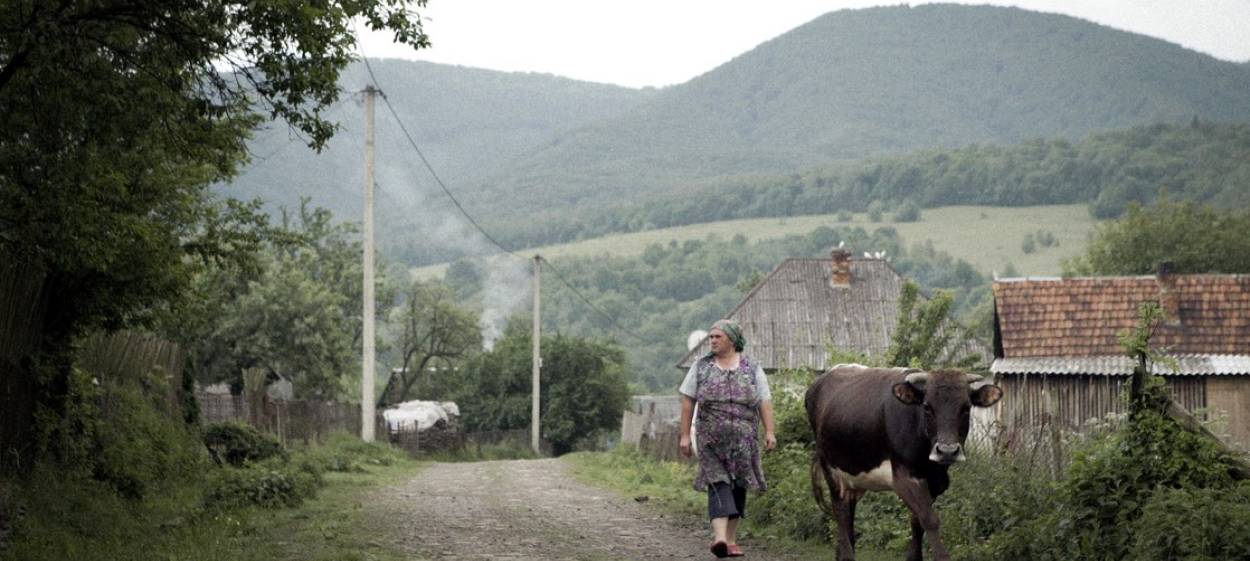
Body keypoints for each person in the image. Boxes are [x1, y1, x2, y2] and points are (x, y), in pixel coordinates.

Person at [679, 319, 777, 558]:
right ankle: (720, 538)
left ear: (732, 340)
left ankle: (730, 540)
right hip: (710, 440)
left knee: (739, 485)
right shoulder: (701, 367)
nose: (712, 340)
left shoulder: (752, 368)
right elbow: (688, 401)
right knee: (719, 482)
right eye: (711, 337)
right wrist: (684, 436)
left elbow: (764, 400)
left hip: (745, 440)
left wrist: (770, 431)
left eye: (717, 337)